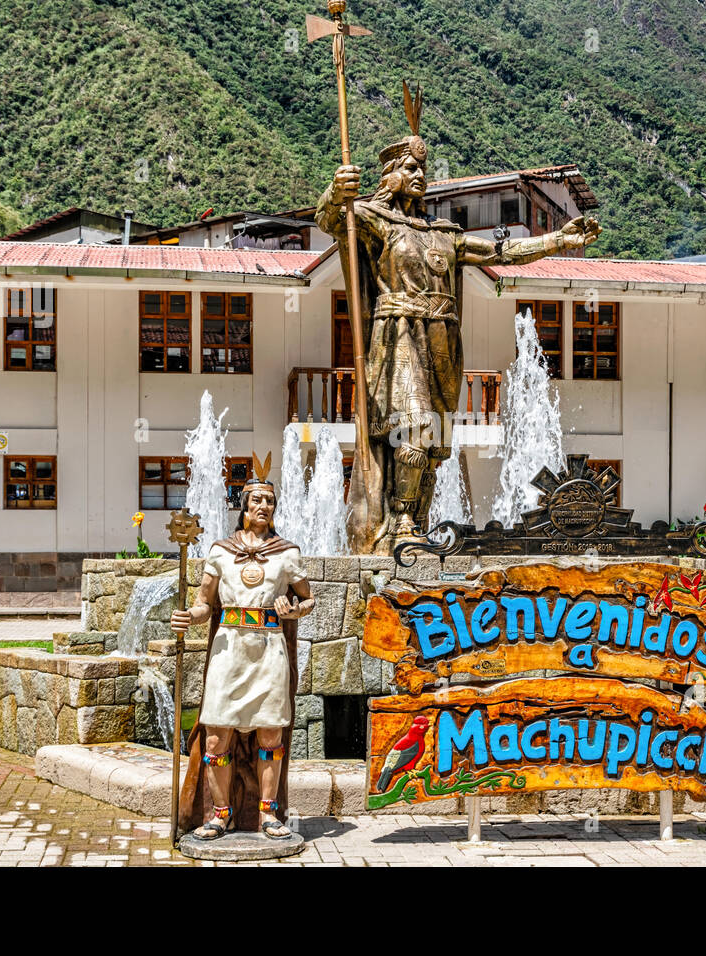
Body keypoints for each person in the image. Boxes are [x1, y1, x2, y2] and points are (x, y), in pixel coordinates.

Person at [315, 82, 601, 553]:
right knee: (413, 429)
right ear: (388, 176)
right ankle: (401, 524)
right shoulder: (376, 221)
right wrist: (334, 192)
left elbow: (504, 251)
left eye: (422, 168)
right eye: (409, 168)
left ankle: (419, 521)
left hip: (443, 341)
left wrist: (558, 242)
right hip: (399, 336)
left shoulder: (445, 234)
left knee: (435, 443)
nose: (419, 175)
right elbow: (332, 221)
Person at [171, 472, 315, 840]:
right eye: (257, 500)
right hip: (228, 649)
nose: (263, 506)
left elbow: (308, 598)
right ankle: (221, 815)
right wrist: (190, 616)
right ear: (243, 506)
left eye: (269, 501)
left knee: (270, 735)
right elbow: (206, 603)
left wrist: (295, 611)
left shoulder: (286, 553)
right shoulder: (221, 551)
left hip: (269, 650)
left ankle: (268, 814)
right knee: (217, 737)